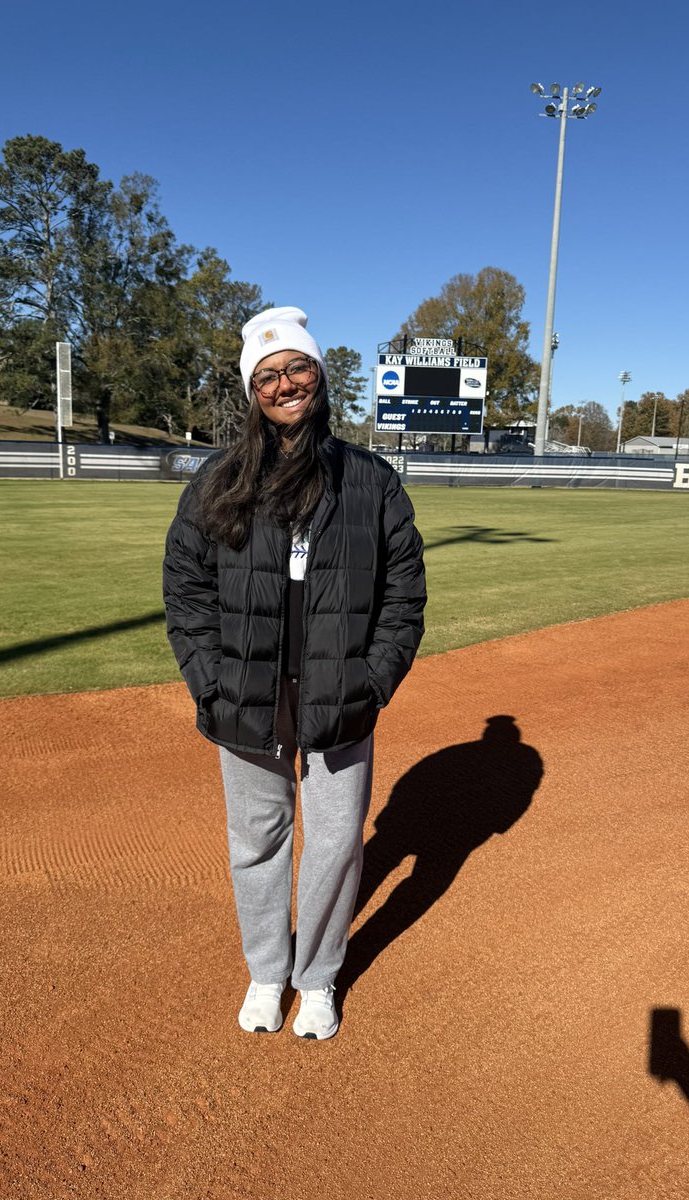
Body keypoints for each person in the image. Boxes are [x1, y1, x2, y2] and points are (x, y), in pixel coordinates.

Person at [163, 306, 426, 1040]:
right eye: (269, 375)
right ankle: (266, 972)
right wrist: (208, 680)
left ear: (319, 375)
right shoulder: (218, 480)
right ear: (253, 391)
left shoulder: (371, 481)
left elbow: (405, 593)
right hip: (243, 696)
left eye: (298, 368)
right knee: (258, 840)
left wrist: (373, 682)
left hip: (342, 694)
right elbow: (184, 587)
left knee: (338, 844)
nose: (286, 384)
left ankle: (316, 978)